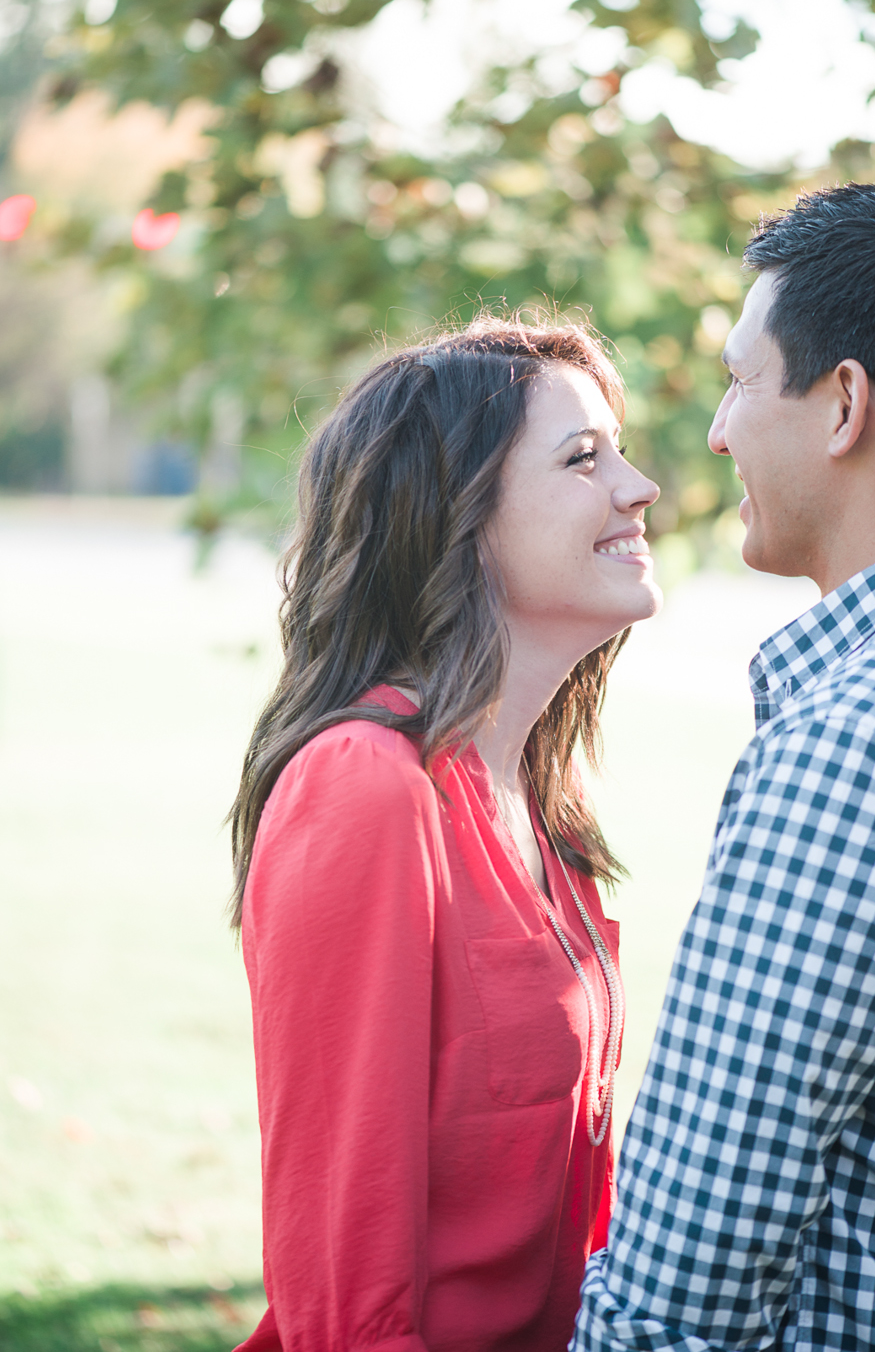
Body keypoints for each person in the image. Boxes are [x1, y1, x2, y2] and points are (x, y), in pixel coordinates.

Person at [574, 184, 875, 1350]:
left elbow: (687, 1264)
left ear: (842, 401)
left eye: (740, 379)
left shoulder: (866, 742)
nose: (713, 429)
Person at [231, 317, 662, 1351]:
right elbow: (345, 1283)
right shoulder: (364, 788)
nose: (639, 485)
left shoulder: (540, 803)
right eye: (580, 458)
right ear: (459, 515)